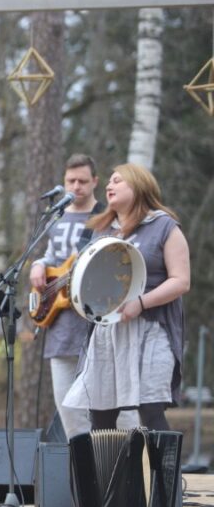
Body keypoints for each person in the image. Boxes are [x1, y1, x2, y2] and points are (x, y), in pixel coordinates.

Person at [63, 163, 190, 431]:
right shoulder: (103, 231)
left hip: (152, 328)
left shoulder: (164, 226)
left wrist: (140, 303)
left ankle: (165, 474)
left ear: (138, 185)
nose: (109, 186)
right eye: (109, 181)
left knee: (151, 409)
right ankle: (108, 474)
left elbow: (181, 281)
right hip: (109, 333)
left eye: (117, 180)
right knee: (101, 413)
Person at [28, 154, 135, 439]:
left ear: (95, 182)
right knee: (69, 411)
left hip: (97, 326)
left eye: (82, 181)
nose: (76, 186)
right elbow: (52, 255)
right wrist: (39, 264)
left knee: (118, 409)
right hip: (60, 325)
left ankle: (131, 469)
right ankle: (84, 472)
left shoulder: (106, 218)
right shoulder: (56, 217)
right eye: (70, 181)